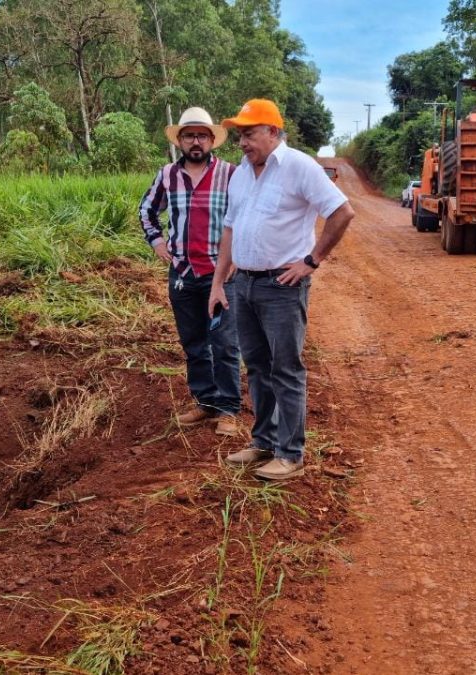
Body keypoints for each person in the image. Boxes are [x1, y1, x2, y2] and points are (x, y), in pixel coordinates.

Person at [208, 99, 355, 480]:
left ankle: (290, 454)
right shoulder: (240, 173)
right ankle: (264, 443)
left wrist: (312, 260)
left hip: (281, 287)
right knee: (256, 366)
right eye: (240, 135)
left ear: (273, 132)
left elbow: (342, 211)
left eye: (250, 133)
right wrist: (219, 282)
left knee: (285, 369)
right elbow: (230, 229)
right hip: (244, 284)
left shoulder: (299, 166)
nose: (242, 142)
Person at [139, 107, 241, 436]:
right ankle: (205, 402)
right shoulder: (167, 175)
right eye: (189, 136)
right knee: (194, 342)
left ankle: (228, 409)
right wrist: (156, 242)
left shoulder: (230, 173)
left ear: (212, 140)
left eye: (201, 135)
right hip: (182, 273)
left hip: (221, 273)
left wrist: (238, 255)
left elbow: (248, 215)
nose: (195, 141)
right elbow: (146, 210)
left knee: (224, 343)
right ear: (180, 141)